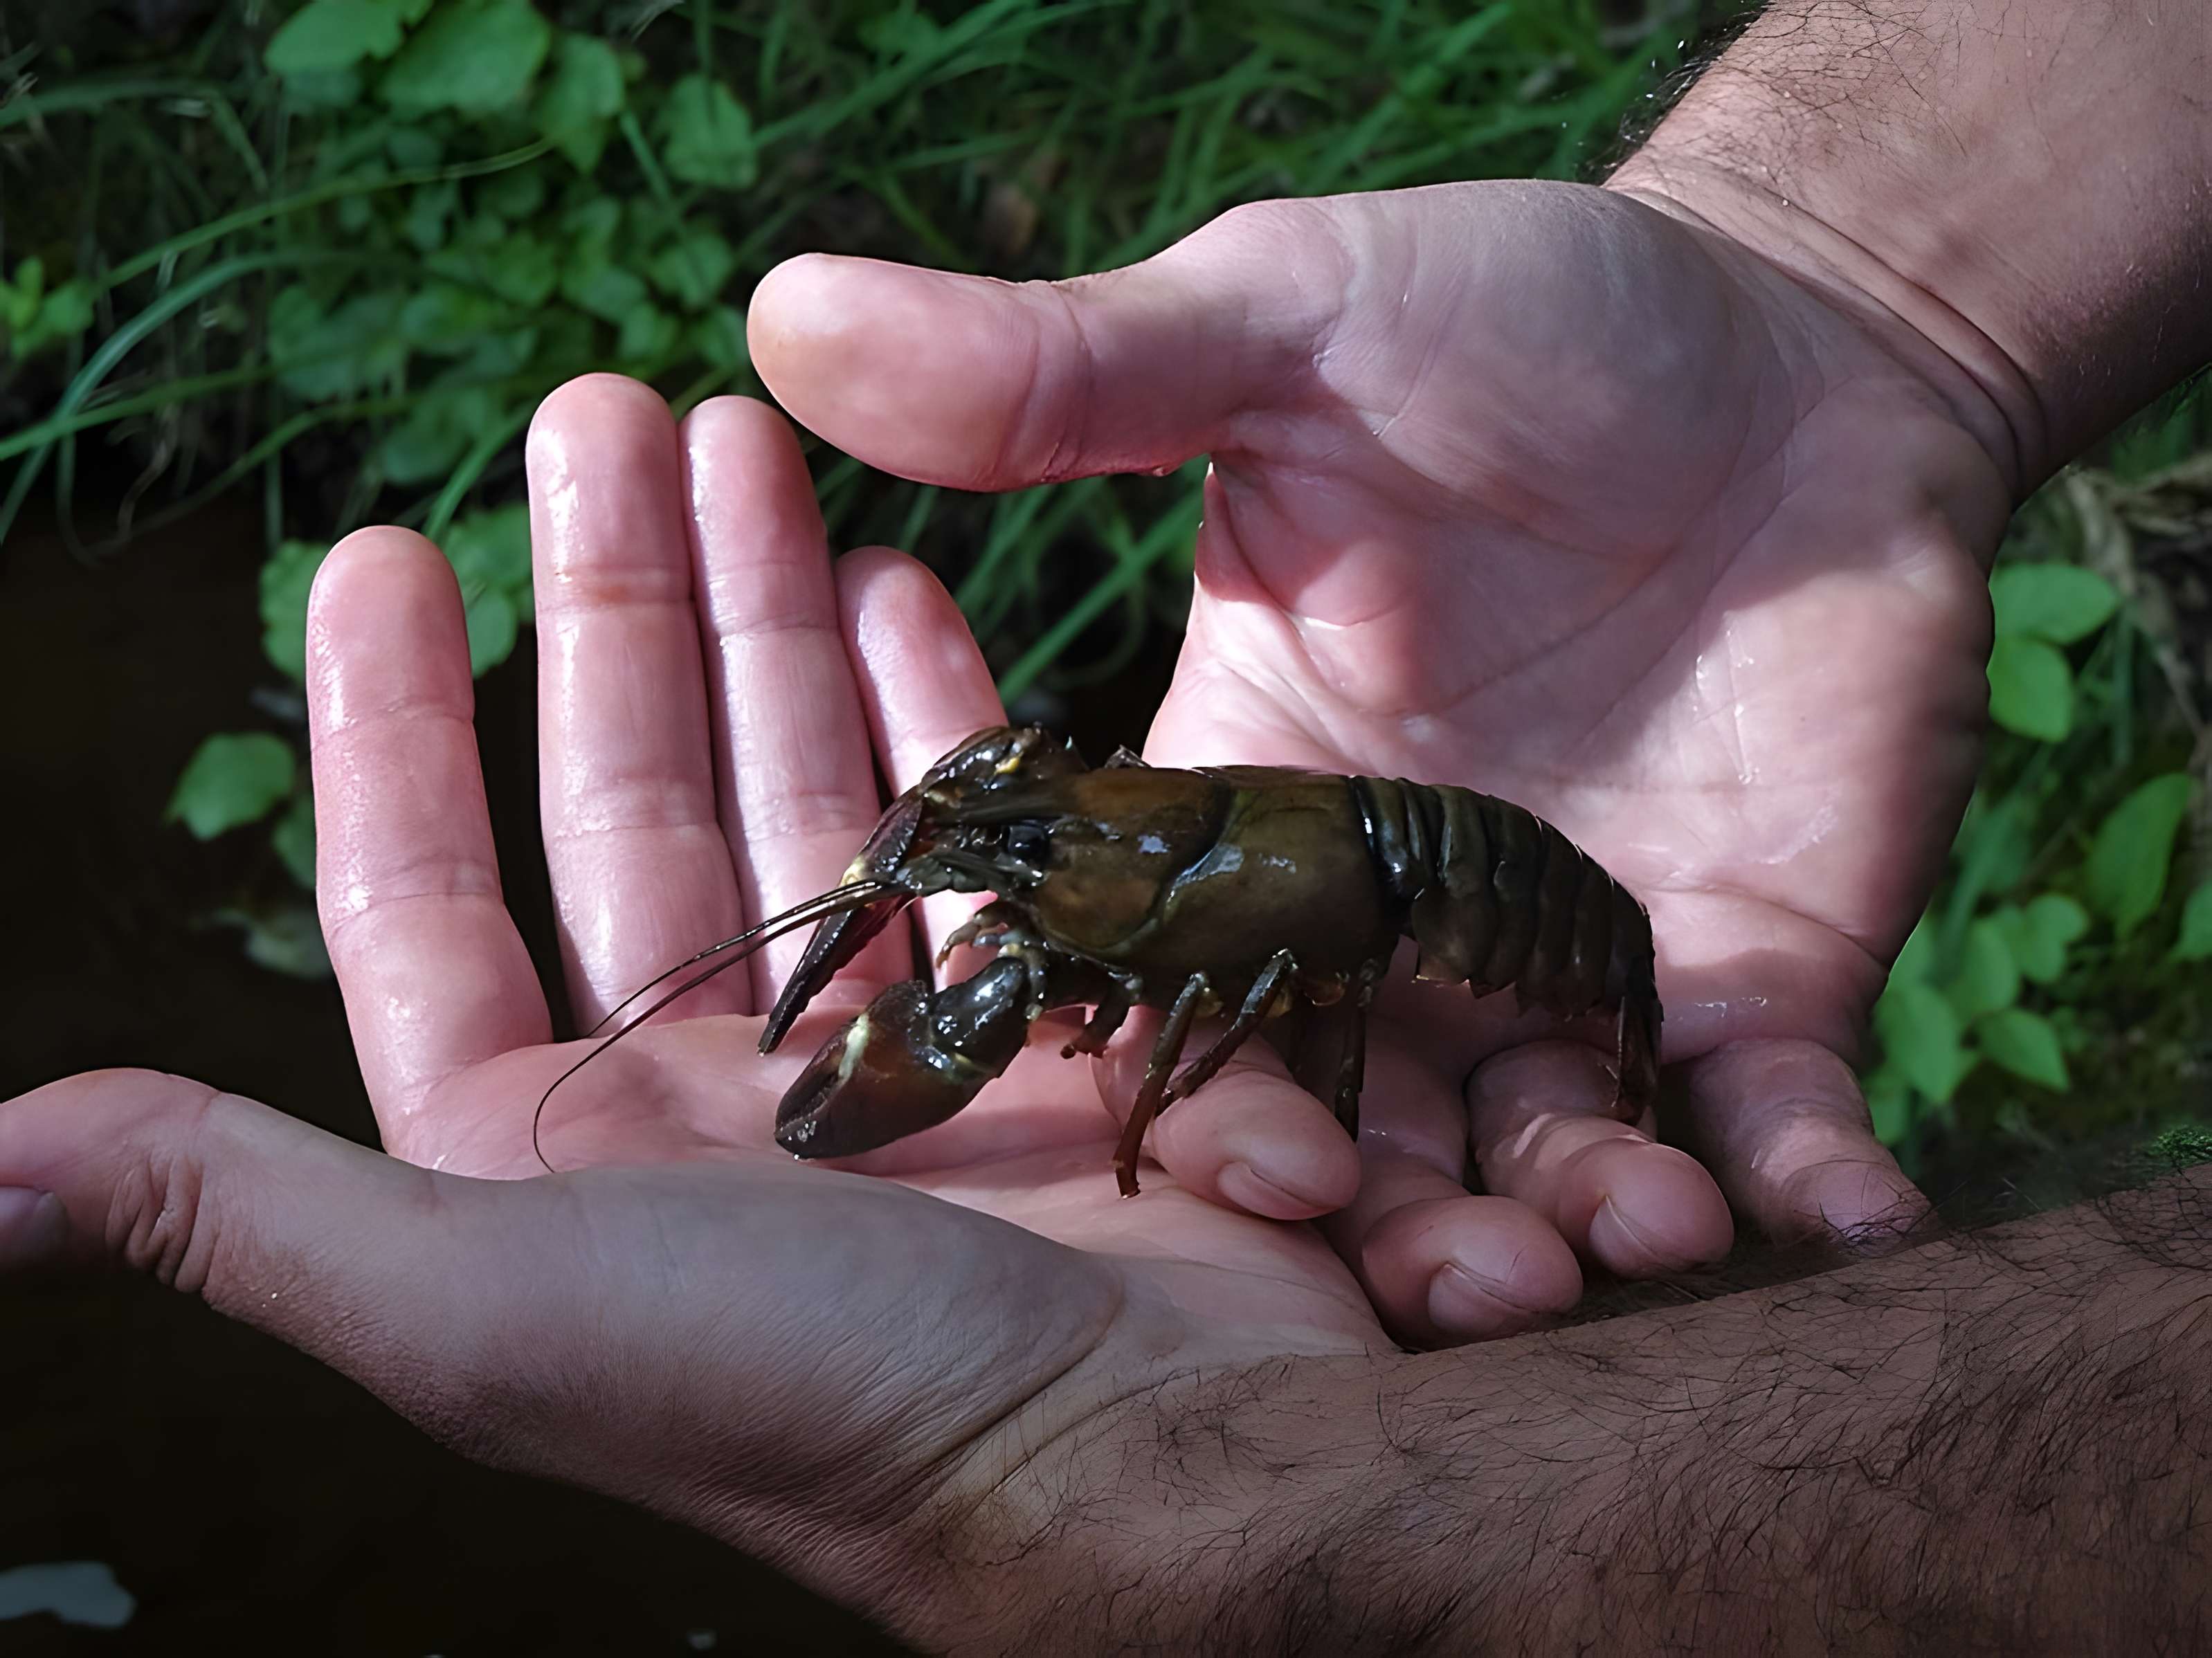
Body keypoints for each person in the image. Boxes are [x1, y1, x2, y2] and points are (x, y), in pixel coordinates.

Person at [3, 0, 2206, 1647]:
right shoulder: (1091, 853)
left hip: (1504, 908)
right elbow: (1046, 852)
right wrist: (1826, 281)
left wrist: (1142, 1134)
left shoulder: (1272, 923)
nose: (986, 855)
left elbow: (1271, 983)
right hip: (1357, 856)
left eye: (1011, 840)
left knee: (1206, 1017)